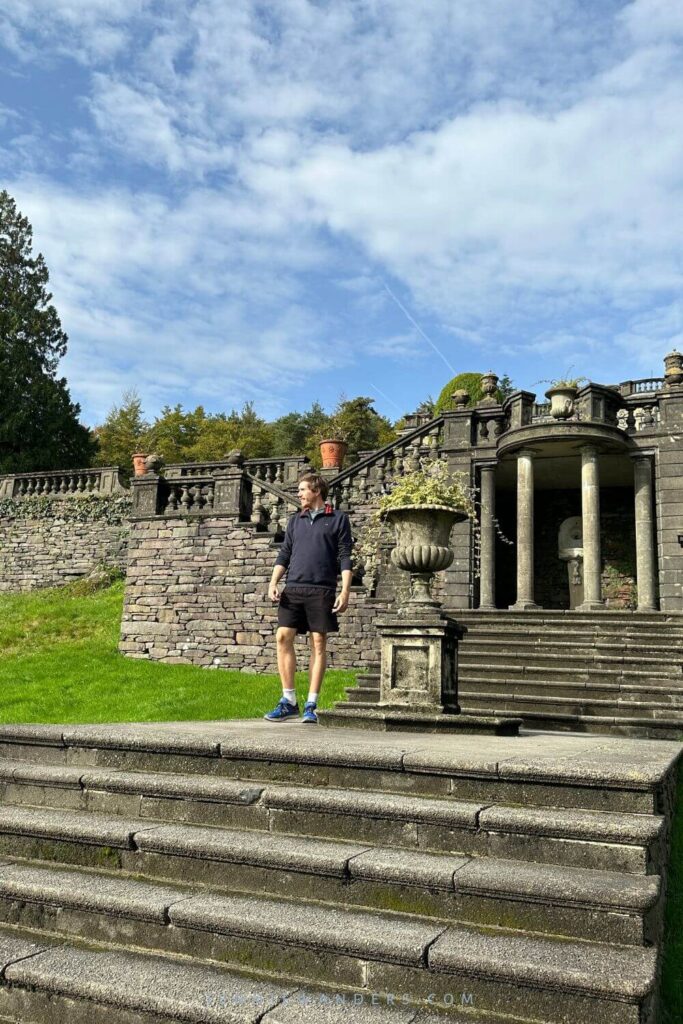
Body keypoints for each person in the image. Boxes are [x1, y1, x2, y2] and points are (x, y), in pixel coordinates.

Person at [264, 471, 353, 724]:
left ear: (316, 490)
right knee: (282, 636)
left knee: (318, 642)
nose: (299, 494)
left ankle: (311, 704)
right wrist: (273, 582)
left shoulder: (338, 519)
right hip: (294, 587)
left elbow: (345, 555)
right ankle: (289, 700)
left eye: (302, 490)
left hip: (322, 589)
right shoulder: (295, 521)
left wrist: (345, 590)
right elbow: (285, 553)